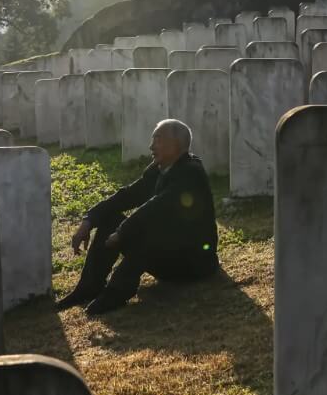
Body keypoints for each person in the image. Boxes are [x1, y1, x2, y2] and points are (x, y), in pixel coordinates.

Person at [55, 118, 219, 315]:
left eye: (157, 139)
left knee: (146, 232)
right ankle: (89, 287)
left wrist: (122, 232)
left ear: (176, 145)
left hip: (192, 262)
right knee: (110, 219)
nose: (151, 146)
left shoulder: (190, 172)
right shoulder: (158, 169)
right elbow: (127, 196)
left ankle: (116, 294)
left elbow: (157, 207)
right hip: (166, 252)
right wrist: (88, 221)